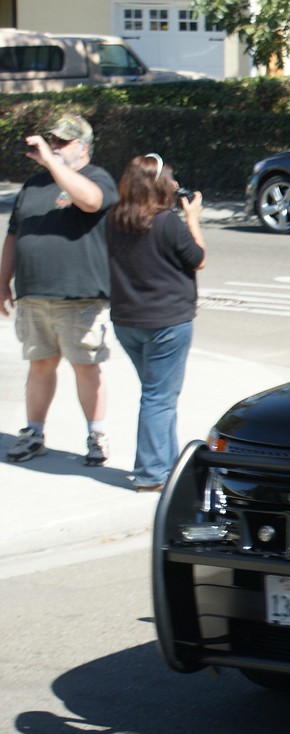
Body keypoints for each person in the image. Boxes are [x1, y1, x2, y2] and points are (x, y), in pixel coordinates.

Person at [0, 113, 118, 465]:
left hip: (78, 296)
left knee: (86, 367)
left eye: (61, 142)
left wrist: (51, 162)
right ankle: (34, 432)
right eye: (52, 141)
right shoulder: (35, 184)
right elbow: (14, 235)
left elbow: (92, 202)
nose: (53, 147)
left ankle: (96, 435)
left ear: (83, 147)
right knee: (40, 365)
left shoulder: (96, 177)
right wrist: (2, 281)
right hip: (34, 294)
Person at [106, 153, 206, 491]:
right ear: (160, 184)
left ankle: (168, 466)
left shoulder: (114, 218)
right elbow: (198, 259)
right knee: (158, 397)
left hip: (127, 321)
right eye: (171, 178)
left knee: (158, 394)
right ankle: (151, 474)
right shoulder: (167, 222)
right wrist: (192, 218)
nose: (176, 184)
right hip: (166, 322)